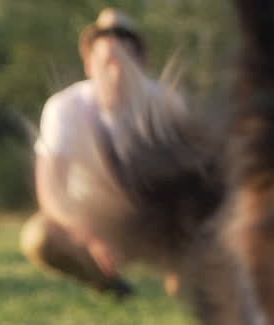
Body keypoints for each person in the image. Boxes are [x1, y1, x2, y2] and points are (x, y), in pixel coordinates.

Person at [20, 9, 179, 298]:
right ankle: (105, 282)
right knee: (39, 237)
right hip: (89, 219)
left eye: (126, 60)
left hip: (151, 217)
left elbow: (189, 181)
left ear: (141, 65)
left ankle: (182, 275)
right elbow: (51, 189)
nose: (117, 71)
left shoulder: (166, 105)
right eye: (107, 61)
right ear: (89, 65)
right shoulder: (64, 108)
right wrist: (89, 236)